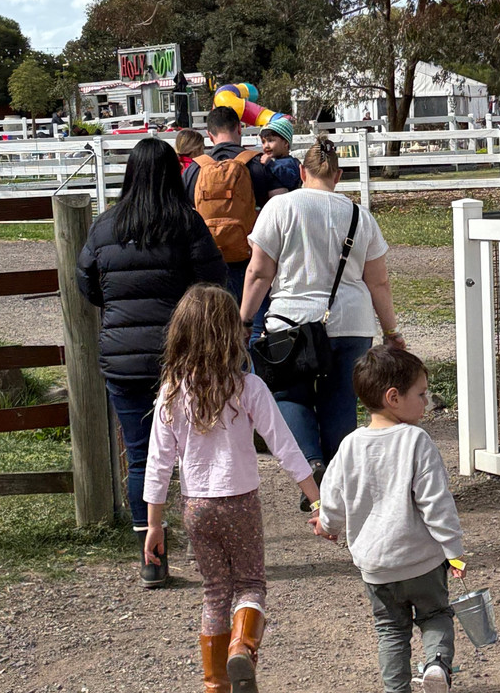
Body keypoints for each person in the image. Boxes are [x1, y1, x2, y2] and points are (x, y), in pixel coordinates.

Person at [144, 283, 320, 693]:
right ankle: (242, 645)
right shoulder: (249, 388)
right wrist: (316, 497)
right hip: (240, 501)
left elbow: (158, 463)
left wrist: (154, 525)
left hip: (196, 507)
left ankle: (215, 685)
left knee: (214, 592)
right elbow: (286, 447)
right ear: (232, 335)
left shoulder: (170, 393)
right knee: (251, 584)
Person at [76, 137, 228, 588]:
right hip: (180, 359)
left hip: (123, 361)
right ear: (172, 173)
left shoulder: (104, 227)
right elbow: (215, 280)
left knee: (142, 454)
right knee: (199, 452)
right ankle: (214, 551)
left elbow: (88, 284)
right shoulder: (187, 224)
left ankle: (152, 557)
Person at [239, 134, 405, 509]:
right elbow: (377, 280)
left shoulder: (280, 208)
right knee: (341, 401)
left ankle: (311, 463)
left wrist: (244, 318)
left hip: (291, 321)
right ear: (339, 175)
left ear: (301, 171)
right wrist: (391, 332)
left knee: (287, 395)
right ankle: (334, 484)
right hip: (351, 322)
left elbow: (259, 273)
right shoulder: (361, 216)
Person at [312, 346, 465, 693]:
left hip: (377, 567)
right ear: (393, 397)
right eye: (421, 394)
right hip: (423, 561)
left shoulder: (350, 445)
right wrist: (453, 550)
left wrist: (328, 526)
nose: (426, 402)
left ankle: (397, 690)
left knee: (390, 630)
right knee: (435, 616)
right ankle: (437, 665)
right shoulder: (416, 441)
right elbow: (436, 503)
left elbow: (333, 498)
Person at [182, 105, 286, 301]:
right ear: (239, 129)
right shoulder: (258, 164)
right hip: (253, 259)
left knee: (217, 325)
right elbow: (281, 204)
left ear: (209, 135)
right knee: (254, 322)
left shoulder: (194, 169)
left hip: (209, 262)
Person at [258, 117, 301, 191]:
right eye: (263, 142)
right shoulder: (271, 161)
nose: (266, 146)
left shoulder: (292, 162)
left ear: (285, 143)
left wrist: (271, 164)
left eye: (270, 140)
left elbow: (290, 180)